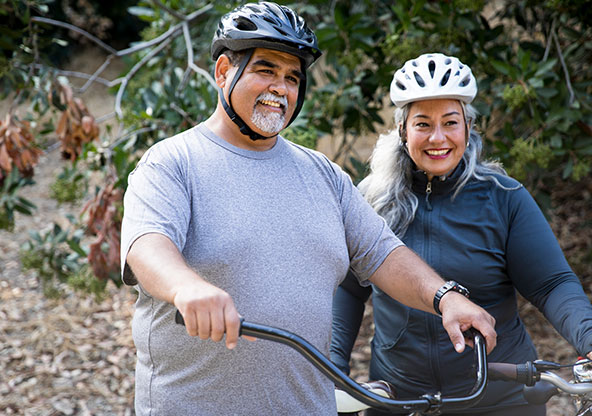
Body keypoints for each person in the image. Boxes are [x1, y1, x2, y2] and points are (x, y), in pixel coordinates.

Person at [120, 4, 497, 414]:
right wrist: (185, 286)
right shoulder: (172, 162)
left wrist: (444, 297)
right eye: (266, 70)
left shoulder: (322, 174)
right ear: (224, 70)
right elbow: (146, 245)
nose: (280, 88)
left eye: (292, 77)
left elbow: (382, 253)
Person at [331, 52, 592, 416]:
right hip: (399, 399)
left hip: (500, 398)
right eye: (423, 124)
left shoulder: (503, 197)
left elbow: (551, 284)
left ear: (468, 128)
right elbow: (348, 289)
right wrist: (331, 371)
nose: (438, 138)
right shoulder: (370, 199)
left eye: (450, 122)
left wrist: (589, 337)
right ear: (403, 131)